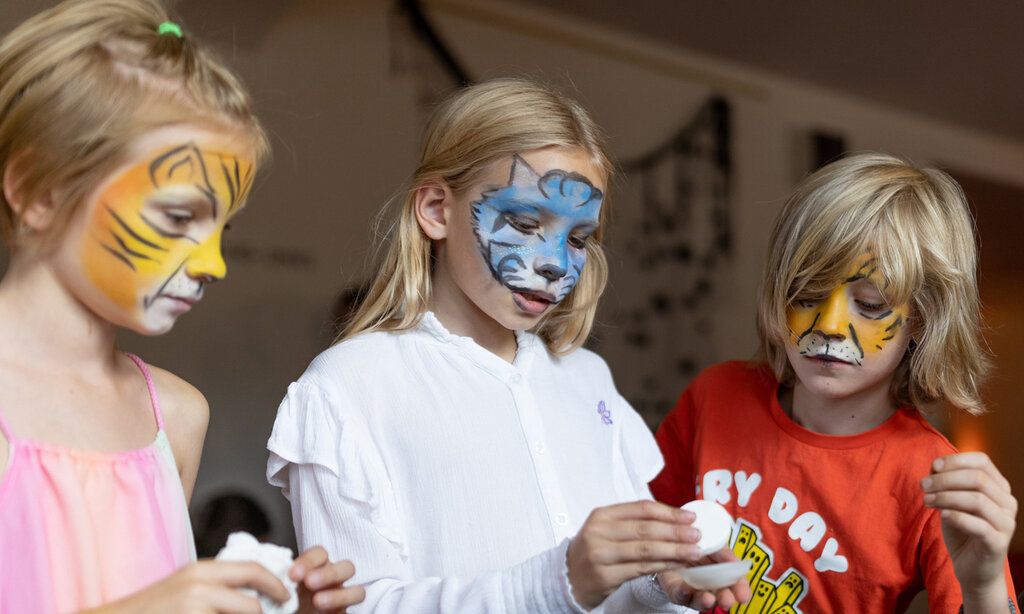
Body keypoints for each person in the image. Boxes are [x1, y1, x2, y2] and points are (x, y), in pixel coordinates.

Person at [266, 78, 751, 613]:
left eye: (578, 238)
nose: (555, 263)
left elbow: (615, 583)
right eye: (523, 222)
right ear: (436, 209)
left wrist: (660, 580)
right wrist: (556, 582)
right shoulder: (350, 387)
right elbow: (356, 606)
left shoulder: (587, 378)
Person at [0, 1, 363, 611]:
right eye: (177, 217)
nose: (213, 263)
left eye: (222, 228)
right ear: (39, 191)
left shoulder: (176, 416)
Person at [650, 153, 1019, 612]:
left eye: (870, 305)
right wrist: (661, 576)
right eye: (807, 294)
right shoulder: (715, 395)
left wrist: (984, 585)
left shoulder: (931, 476)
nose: (829, 325)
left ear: (922, 319)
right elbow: (643, 540)